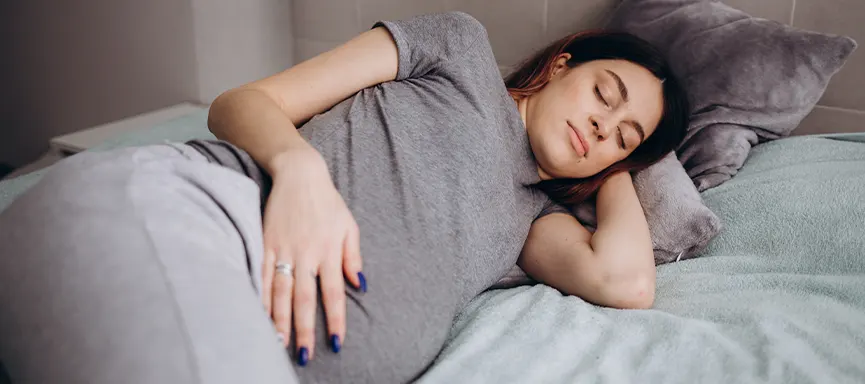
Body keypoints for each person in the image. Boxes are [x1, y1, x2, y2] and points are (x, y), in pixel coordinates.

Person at [0, 11, 687, 384]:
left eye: (624, 135)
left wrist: (615, 161)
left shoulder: (532, 219)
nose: (604, 125)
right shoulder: (458, 49)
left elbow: (622, 282)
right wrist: (300, 173)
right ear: (560, 64)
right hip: (193, 214)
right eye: (604, 94)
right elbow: (246, 102)